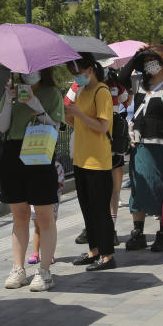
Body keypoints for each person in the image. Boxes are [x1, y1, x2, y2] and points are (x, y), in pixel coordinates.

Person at [117, 45, 163, 252]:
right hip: (141, 145)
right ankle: (138, 232)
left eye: (153, 59)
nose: (149, 63)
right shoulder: (141, 82)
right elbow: (120, 80)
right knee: (139, 188)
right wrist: (136, 57)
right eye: (146, 60)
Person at [0, 69, 64, 292]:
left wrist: (35, 104)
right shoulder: (12, 92)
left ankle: (44, 271)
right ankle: (18, 268)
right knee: (19, 214)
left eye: (33, 69)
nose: (29, 73)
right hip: (13, 152)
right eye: (24, 70)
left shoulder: (52, 93)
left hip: (40, 149)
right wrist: (8, 100)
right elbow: (2, 127)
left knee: (44, 214)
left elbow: (55, 125)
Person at [65, 53, 116, 270]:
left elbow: (102, 126)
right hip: (81, 158)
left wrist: (79, 114)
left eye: (79, 73)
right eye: (73, 74)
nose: (77, 77)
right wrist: (68, 113)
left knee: (99, 209)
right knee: (86, 208)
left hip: (98, 160)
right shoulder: (80, 92)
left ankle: (107, 256)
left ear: (90, 70)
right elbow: (76, 124)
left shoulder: (101, 91)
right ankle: (93, 250)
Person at [26, 159, 64, 265]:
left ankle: (49, 254)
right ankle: (35, 253)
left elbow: (60, 184)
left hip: (50, 202)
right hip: (34, 201)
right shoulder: (31, 163)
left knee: (48, 228)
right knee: (37, 228)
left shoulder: (56, 166)